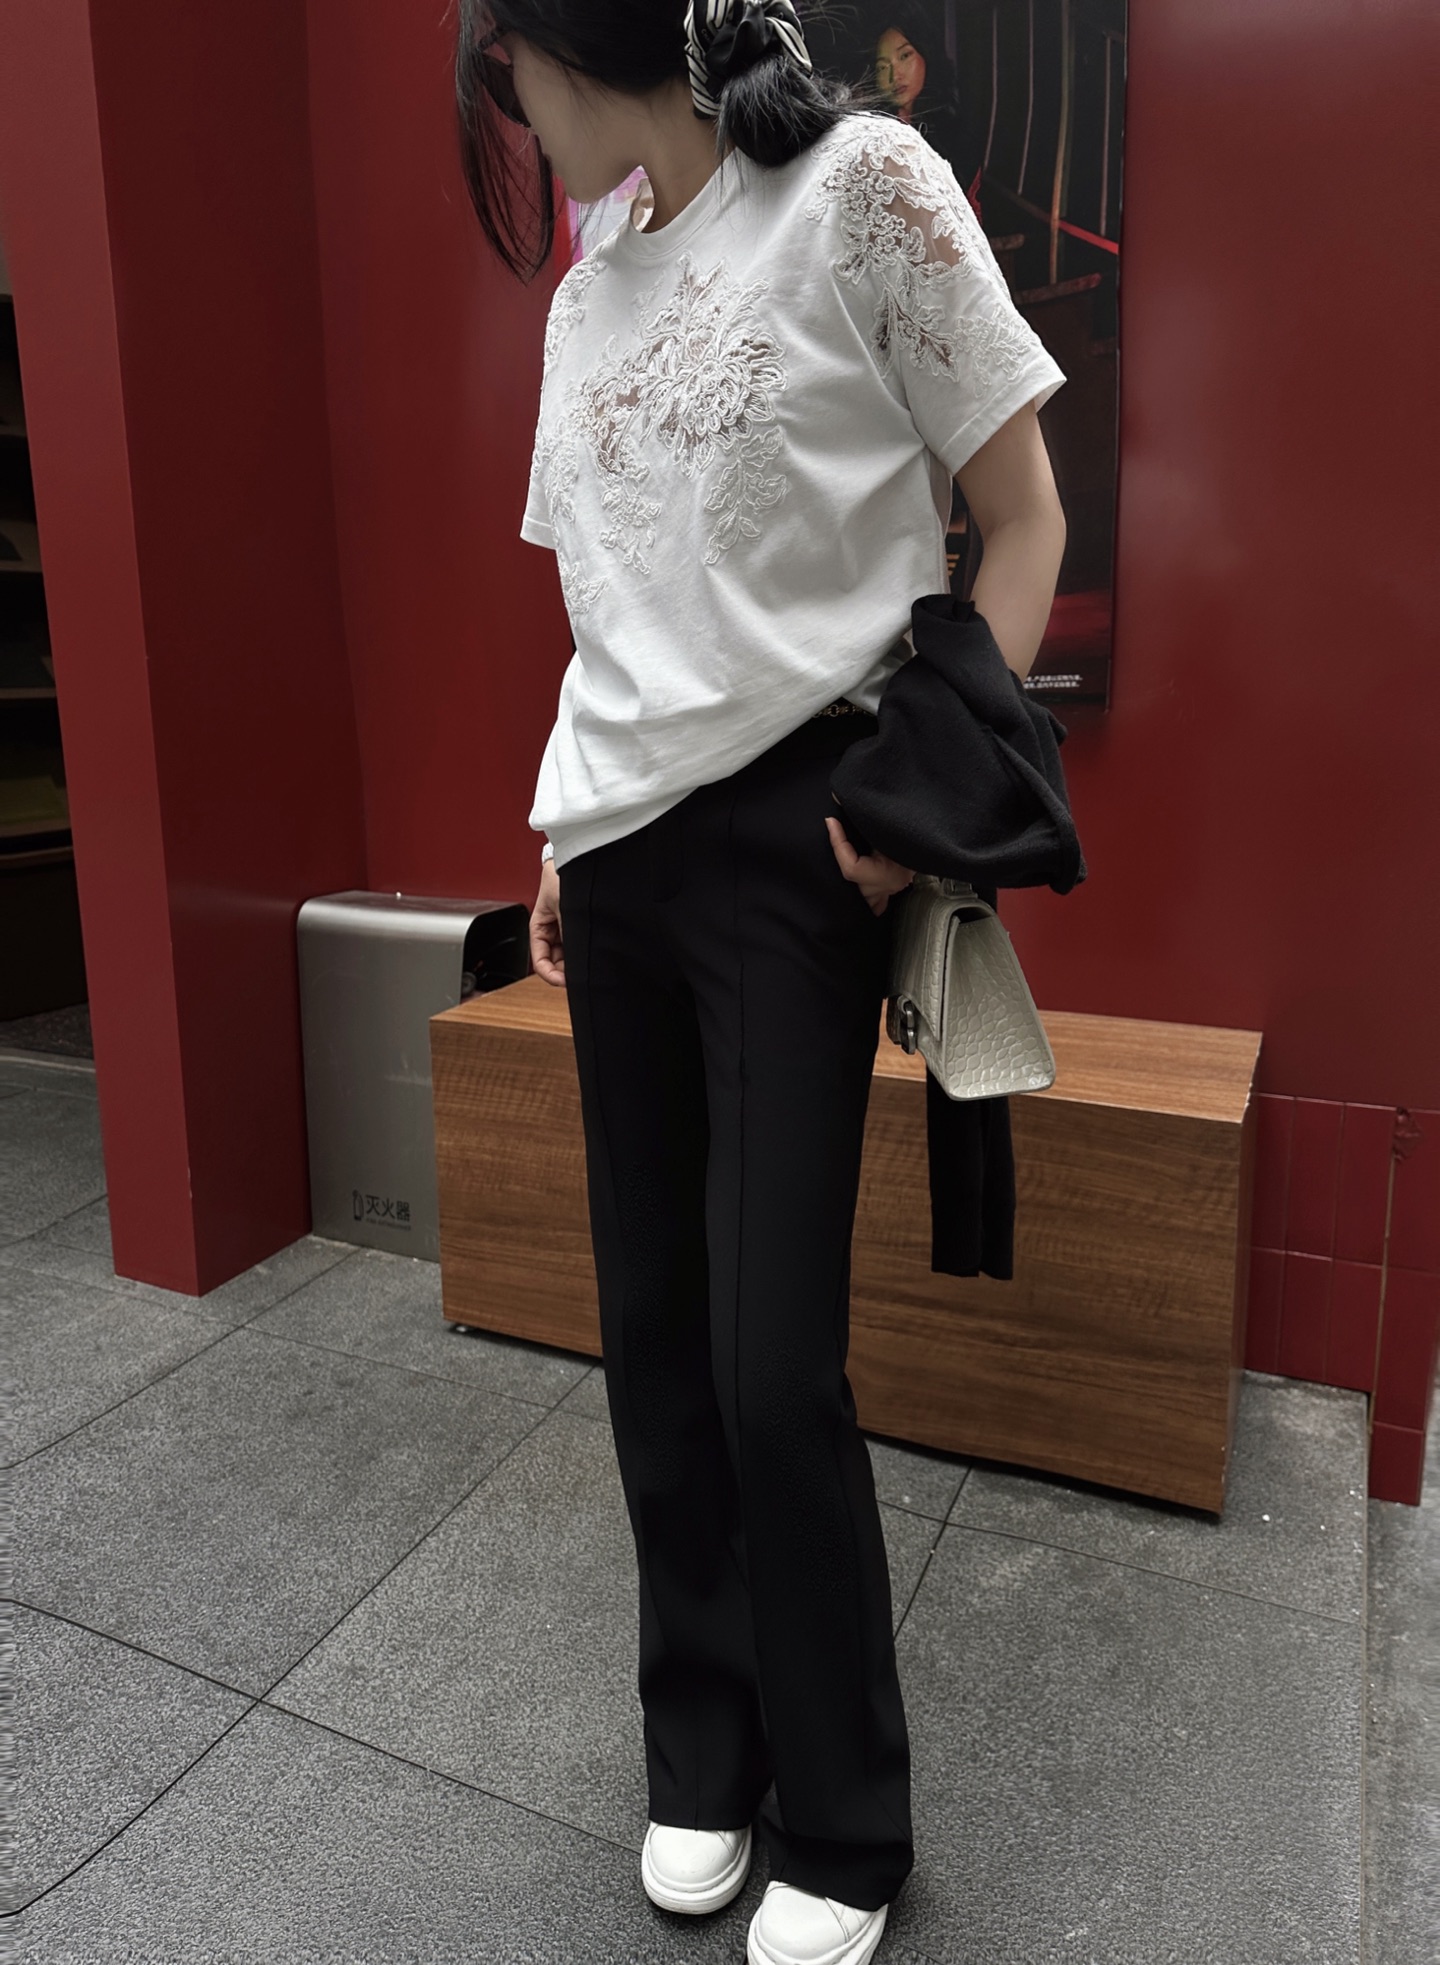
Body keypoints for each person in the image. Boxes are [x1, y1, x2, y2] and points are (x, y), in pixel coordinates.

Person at [454, 5, 1067, 1961]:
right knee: (652, 1334)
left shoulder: (857, 187)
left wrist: (907, 812)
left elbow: (1026, 518)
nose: (514, 133)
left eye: (503, 90)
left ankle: (849, 1819)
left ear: (551, 46)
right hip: (616, 859)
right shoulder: (587, 293)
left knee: (766, 1356)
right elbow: (615, 614)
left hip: (796, 848)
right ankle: (701, 1751)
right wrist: (555, 840)